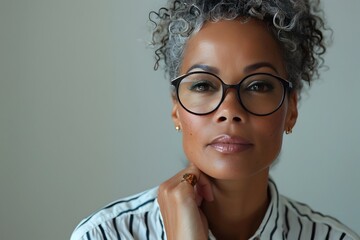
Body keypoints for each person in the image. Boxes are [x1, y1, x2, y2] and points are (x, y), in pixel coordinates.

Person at [71, 0, 359, 239]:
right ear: (176, 109)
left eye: (258, 85)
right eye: (203, 85)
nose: (229, 110)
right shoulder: (104, 234)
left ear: (291, 110)